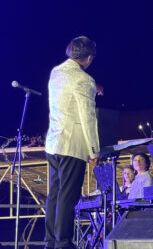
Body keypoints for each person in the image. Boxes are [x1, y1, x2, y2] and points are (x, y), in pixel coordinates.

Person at [44, 36, 100, 248]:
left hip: (54, 142)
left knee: (55, 195)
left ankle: (51, 241)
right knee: (68, 196)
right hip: (72, 146)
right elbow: (88, 118)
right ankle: (63, 242)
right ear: (89, 58)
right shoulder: (84, 80)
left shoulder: (56, 72)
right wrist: (93, 151)